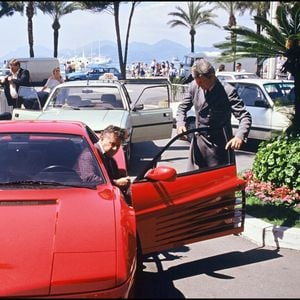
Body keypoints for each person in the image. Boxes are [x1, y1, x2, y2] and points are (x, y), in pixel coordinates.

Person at [176, 58, 252, 170]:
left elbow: (245, 116)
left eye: (201, 81)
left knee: (216, 184)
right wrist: (180, 124)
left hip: (218, 150)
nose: (199, 85)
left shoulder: (227, 91)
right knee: (193, 183)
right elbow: (182, 108)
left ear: (212, 76)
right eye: (197, 81)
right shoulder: (194, 86)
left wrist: (239, 136)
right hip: (198, 147)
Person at [96, 125, 131, 201]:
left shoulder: (110, 159)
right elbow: (90, 179)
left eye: (118, 146)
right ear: (102, 137)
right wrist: (116, 182)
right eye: (112, 144)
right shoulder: (91, 154)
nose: (115, 149)